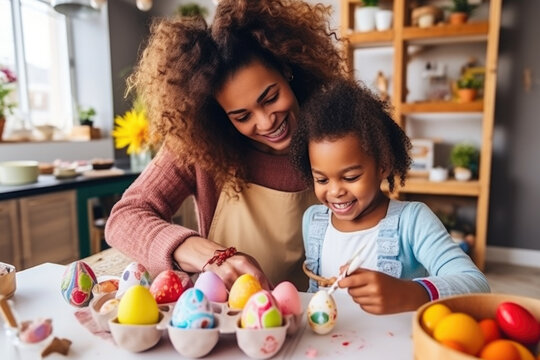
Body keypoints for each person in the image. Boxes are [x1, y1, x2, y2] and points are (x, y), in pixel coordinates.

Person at [105, 0, 347, 291]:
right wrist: (204, 253)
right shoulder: (202, 147)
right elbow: (124, 218)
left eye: (270, 98)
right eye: (242, 116)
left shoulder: (335, 136)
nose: (266, 122)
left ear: (287, 70)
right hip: (228, 316)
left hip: (316, 313)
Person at [290, 78, 490, 314]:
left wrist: (410, 294)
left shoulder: (412, 221)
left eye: (351, 177)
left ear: (383, 166)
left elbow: (477, 285)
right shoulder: (313, 221)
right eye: (322, 180)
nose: (334, 191)